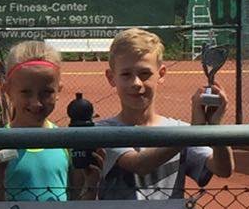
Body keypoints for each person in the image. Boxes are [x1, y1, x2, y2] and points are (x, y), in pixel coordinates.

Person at [97, 27, 234, 199]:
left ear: (161, 74)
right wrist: (192, 133)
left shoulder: (179, 130)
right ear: (111, 77)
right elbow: (139, 165)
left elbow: (223, 169)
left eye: (145, 73)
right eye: (126, 74)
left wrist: (215, 127)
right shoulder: (102, 131)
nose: (136, 83)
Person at [0, 41, 97, 202]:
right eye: (26, 92)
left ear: (58, 91)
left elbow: (78, 202)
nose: (36, 103)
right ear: (7, 90)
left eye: (46, 92)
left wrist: (91, 182)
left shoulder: (67, 143)